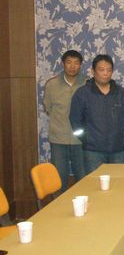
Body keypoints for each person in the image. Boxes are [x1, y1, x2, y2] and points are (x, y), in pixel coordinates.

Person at [69, 54, 124, 174]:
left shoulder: (119, 92)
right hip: (93, 150)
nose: (105, 73)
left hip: (117, 149)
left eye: (109, 70)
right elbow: (75, 120)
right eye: (101, 70)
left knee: (117, 182)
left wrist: (117, 136)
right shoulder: (82, 93)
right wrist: (86, 139)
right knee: (95, 182)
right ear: (93, 71)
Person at [43, 50, 86, 191]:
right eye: (69, 62)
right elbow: (48, 108)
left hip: (80, 140)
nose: (72, 66)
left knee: (83, 178)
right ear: (63, 64)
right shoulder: (52, 84)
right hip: (58, 140)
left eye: (76, 63)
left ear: (80, 65)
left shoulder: (87, 83)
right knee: (59, 179)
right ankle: (58, 203)